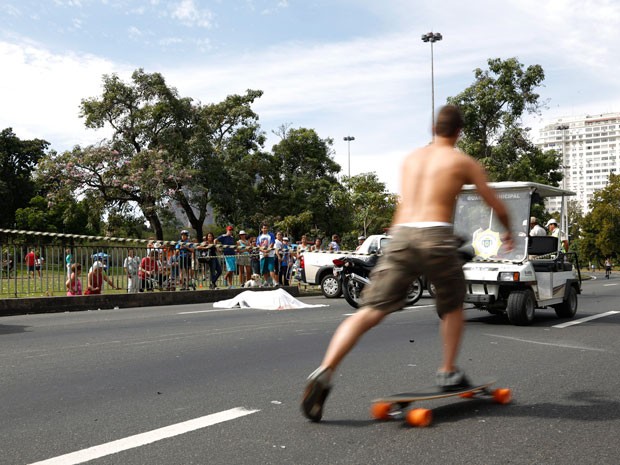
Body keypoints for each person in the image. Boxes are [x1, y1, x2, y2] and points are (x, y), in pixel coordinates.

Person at [301, 104, 513, 422]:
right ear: (458, 132)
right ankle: (448, 371)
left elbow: (406, 206)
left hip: (400, 238)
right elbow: (494, 202)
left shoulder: (411, 160)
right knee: (453, 306)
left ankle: (326, 370)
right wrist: (509, 231)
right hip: (437, 237)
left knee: (370, 310)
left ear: (432, 128)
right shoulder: (462, 161)